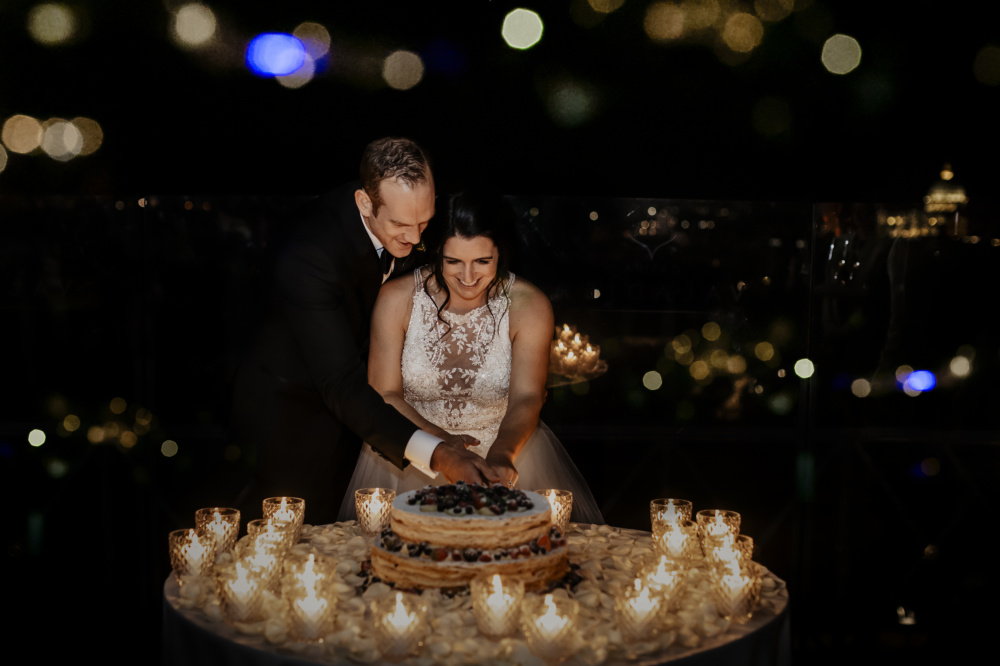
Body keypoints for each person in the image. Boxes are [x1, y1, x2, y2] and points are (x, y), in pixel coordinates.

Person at [231, 138, 503, 526]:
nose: (416, 239)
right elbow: (341, 382)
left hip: (368, 411)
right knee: (296, 540)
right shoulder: (309, 253)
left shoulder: (409, 218)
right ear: (364, 203)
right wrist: (439, 453)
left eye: (423, 222)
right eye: (400, 226)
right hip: (295, 415)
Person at [338, 192, 603, 524]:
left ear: (501, 254)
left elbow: (527, 396)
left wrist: (503, 454)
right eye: (453, 262)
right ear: (435, 253)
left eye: (482, 261)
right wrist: (443, 446)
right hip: (411, 454)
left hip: (507, 448)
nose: (467, 276)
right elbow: (384, 393)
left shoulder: (529, 304)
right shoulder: (397, 298)